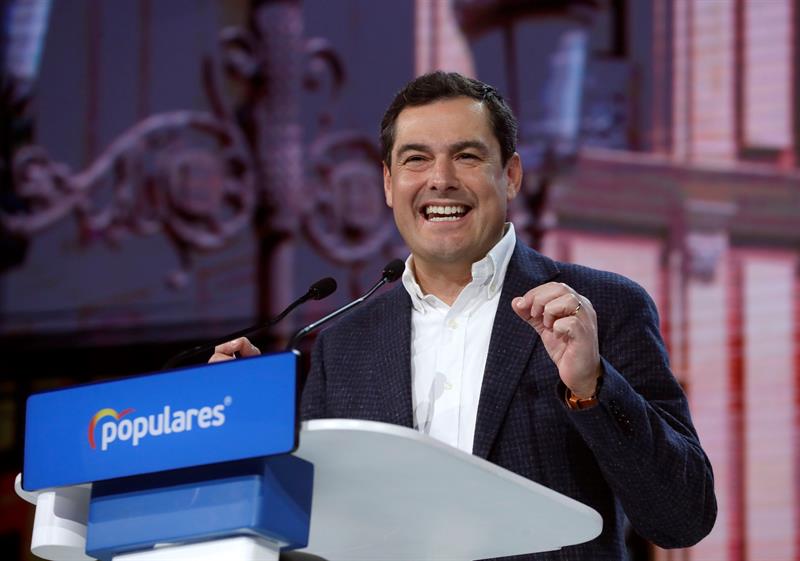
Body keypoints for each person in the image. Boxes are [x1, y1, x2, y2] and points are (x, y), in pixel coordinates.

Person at [212, 71, 717, 559]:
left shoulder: (599, 308)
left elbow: (682, 518)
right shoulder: (342, 345)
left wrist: (592, 386)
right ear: (388, 183)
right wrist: (256, 429)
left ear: (510, 176)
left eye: (467, 156)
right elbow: (311, 529)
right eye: (416, 159)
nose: (441, 180)